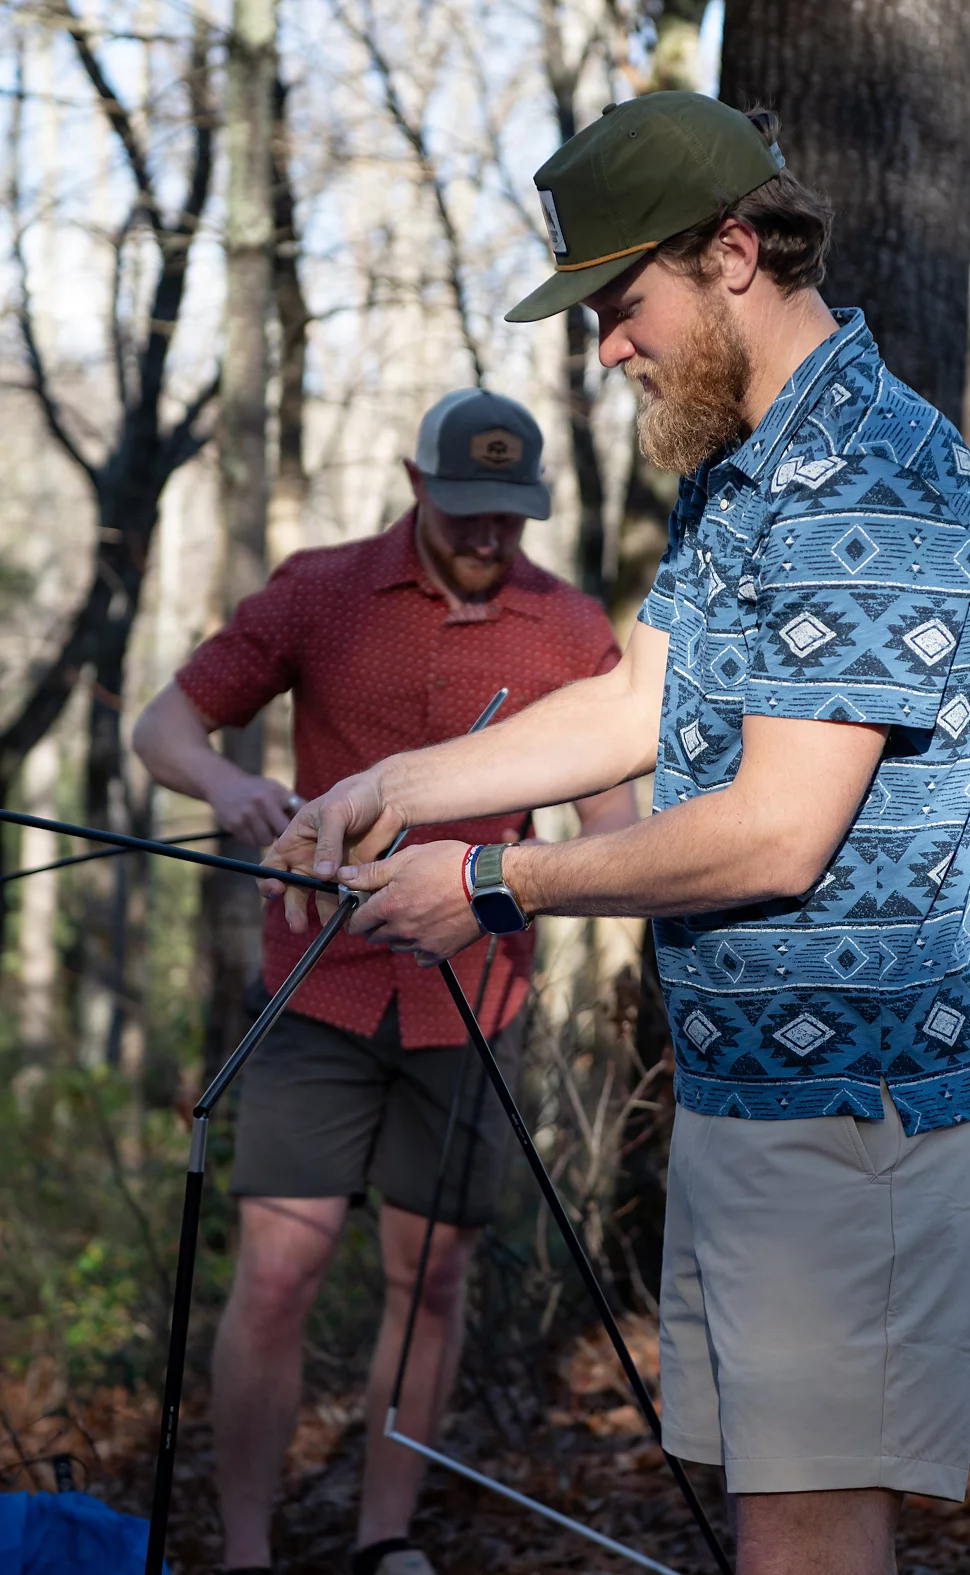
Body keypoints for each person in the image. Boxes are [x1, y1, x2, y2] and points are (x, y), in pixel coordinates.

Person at [263, 93, 970, 1575]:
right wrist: (400, 784)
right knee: (765, 1524)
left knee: (807, 1537)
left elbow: (778, 836)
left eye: (622, 303)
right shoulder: (743, 465)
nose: (607, 346)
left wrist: (492, 881)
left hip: (851, 1107)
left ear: (733, 252)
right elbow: (634, 703)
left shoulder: (871, 472)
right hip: (748, 1095)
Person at [133, 389, 637, 1575]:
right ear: (417, 488)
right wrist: (228, 788)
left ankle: (383, 1539)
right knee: (278, 1269)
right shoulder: (323, 590)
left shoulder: (569, 632)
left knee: (432, 1271)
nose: (488, 540)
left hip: (474, 1000)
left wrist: (600, 875)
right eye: (466, 513)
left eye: (510, 519)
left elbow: (614, 819)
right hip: (316, 985)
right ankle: (247, 1547)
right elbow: (163, 728)